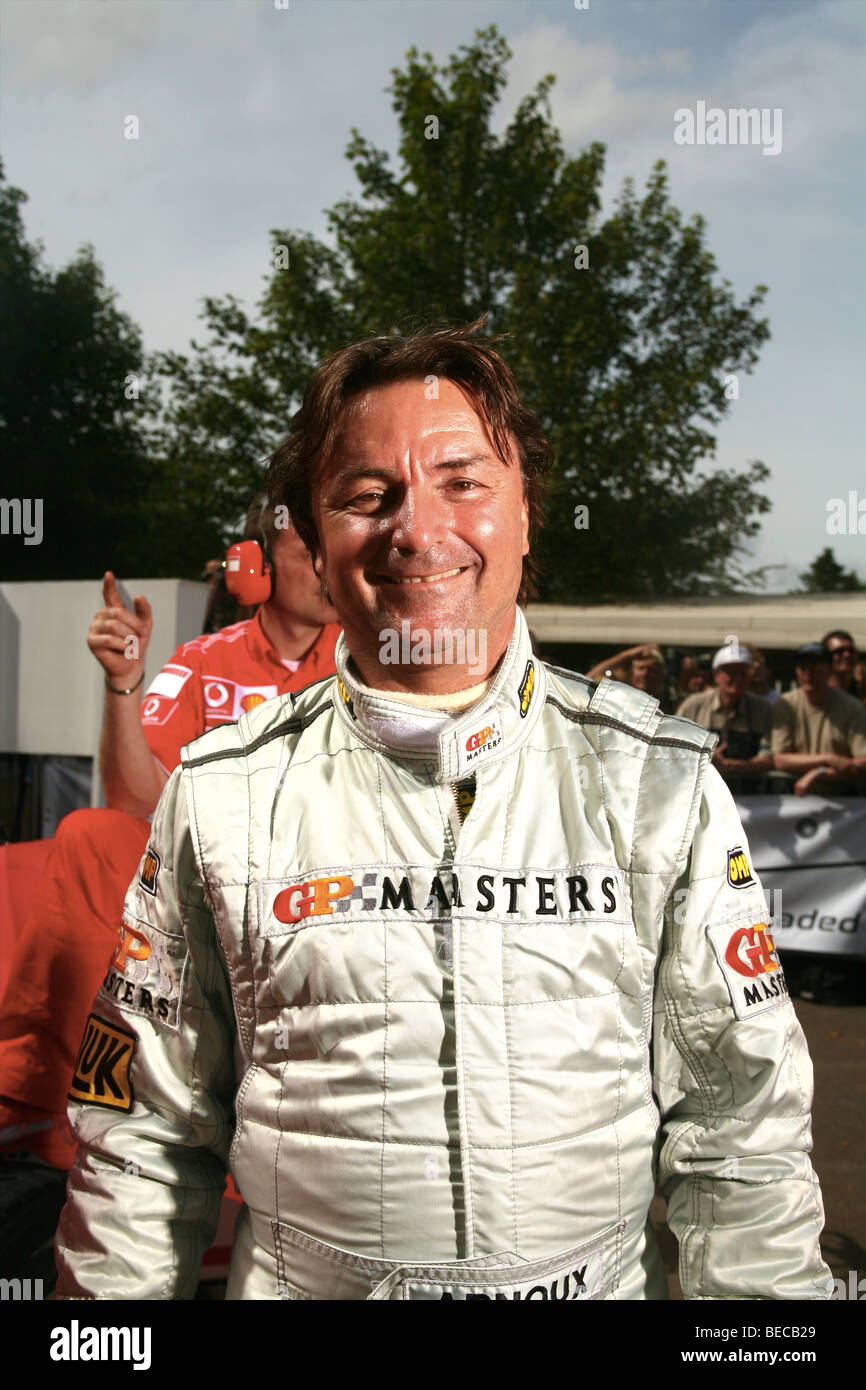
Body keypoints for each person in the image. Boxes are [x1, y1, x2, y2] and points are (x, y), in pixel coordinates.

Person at [55, 321, 832, 1301]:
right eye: (366, 495)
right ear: (316, 539)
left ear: (524, 514)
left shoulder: (656, 782)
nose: (417, 529)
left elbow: (742, 1138)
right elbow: (142, 1147)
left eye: (462, 482)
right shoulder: (222, 791)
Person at [0, 501, 340, 1169]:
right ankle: (51, 1109)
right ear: (256, 568)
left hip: (324, 881)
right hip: (210, 883)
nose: (330, 568)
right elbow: (136, 800)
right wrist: (124, 685)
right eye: (311, 553)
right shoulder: (202, 661)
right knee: (92, 834)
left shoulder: (368, 661)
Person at [677, 638, 774, 792]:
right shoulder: (693, 705)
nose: (737, 679)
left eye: (742, 673)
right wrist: (705, 758)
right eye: (731, 672)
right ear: (716, 675)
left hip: (749, 797)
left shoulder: (762, 709)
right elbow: (674, 748)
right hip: (700, 793)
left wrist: (729, 765)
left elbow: (768, 759)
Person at [771, 642, 866, 797]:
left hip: (843, 798)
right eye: (803, 667)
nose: (808, 673)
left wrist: (819, 772)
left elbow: (861, 763)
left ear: (830, 670)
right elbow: (780, 759)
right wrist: (829, 759)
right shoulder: (785, 704)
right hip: (794, 796)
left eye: (816, 666)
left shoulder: (852, 706)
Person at [823, 629, 861, 700]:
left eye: (851, 651)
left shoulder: (861, 692)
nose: (847, 655)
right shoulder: (816, 693)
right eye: (839, 651)